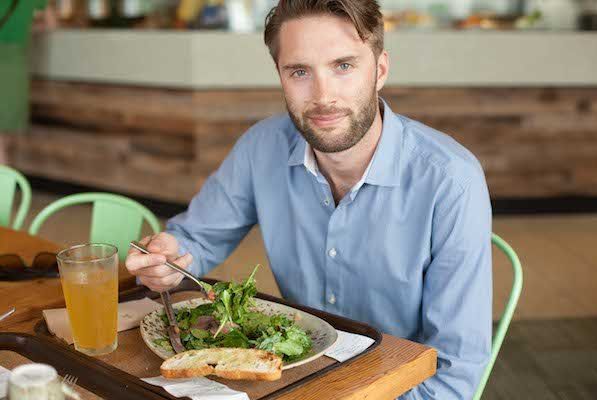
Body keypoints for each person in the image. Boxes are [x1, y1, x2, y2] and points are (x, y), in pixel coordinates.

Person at [126, 0, 492, 398]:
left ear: (380, 70)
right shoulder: (261, 147)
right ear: (280, 76)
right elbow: (196, 240)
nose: (322, 96)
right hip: (294, 378)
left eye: (344, 66)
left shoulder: (452, 180)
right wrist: (168, 260)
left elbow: (454, 371)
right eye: (299, 71)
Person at [0, 0, 55, 164]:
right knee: (5, 133)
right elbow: (52, 24)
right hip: (16, 64)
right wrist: (26, 29)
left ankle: (3, 186)